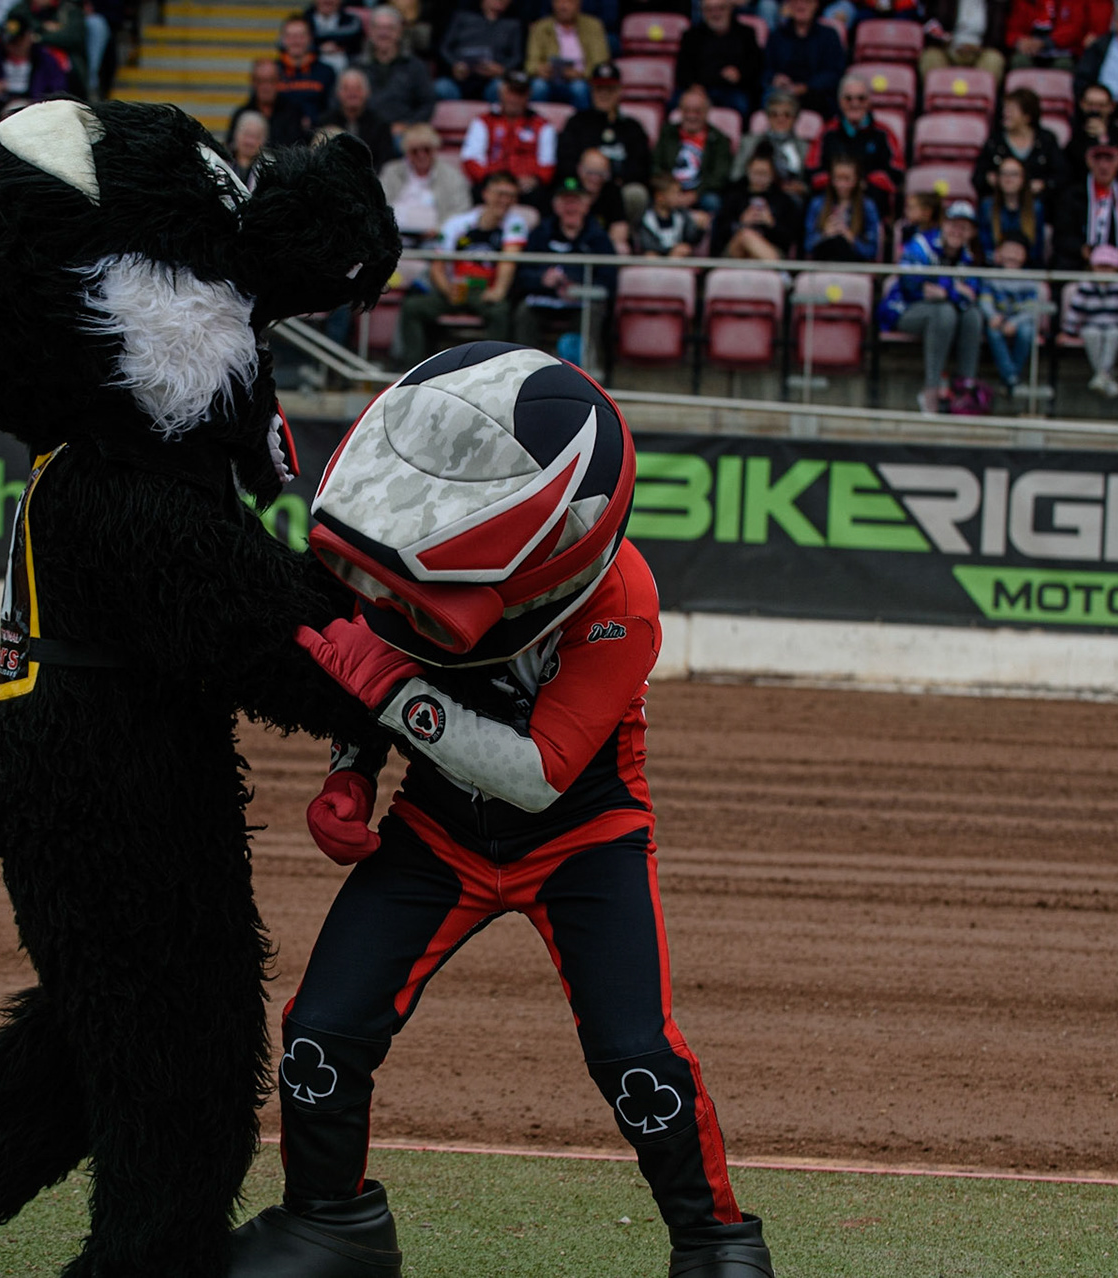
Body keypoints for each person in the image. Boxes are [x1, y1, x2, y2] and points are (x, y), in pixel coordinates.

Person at [261, 347, 775, 1278]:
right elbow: (377, 638)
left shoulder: (624, 602)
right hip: (437, 826)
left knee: (638, 1066)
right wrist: (352, 770)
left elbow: (538, 772)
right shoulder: (413, 536)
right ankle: (326, 1225)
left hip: (585, 835)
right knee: (318, 1038)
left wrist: (391, 702)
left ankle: (716, 1244)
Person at [398, 170, 526, 363]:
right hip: (456, 288)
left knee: (500, 311)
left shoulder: (515, 223)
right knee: (412, 307)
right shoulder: (458, 224)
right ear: (486, 194)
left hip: (485, 291)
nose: (505, 201)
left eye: (511, 196)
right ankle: (411, 369)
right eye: (500, 194)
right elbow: (438, 266)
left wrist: (498, 290)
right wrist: (447, 290)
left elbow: (509, 259)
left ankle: (492, 371)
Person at [880, 198, 982, 414]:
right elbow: (910, 282)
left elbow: (971, 295)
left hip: (943, 313)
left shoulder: (969, 257)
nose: (957, 231)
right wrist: (954, 291)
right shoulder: (921, 244)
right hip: (904, 309)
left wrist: (944, 291)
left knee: (972, 315)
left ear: (971, 233)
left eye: (963, 227)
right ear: (943, 224)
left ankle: (964, 389)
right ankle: (931, 390)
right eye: (953, 224)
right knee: (944, 312)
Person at [513, 175, 618, 362]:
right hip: (544, 298)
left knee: (592, 314)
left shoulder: (599, 238)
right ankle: (525, 366)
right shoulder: (540, 234)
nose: (571, 207)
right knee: (524, 312)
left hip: (581, 302)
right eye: (565, 201)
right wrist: (542, 279)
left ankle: (584, 370)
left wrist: (576, 284)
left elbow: (608, 281)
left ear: (586, 206)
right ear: (556, 206)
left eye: (576, 201)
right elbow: (522, 274)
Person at [557, 63, 655, 225]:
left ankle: (626, 237)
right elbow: (565, 162)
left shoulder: (632, 127)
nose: (604, 94)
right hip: (582, 187)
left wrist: (610, 176)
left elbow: (642, 167)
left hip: (618, 190)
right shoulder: (577, 122)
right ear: (592, 91)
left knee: (636, 193)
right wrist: (588, 179)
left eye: (609, 89)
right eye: (599, 89)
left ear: (619, 91)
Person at [808, 74, 903, 216]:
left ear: (869, 101)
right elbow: (812, 172)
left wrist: (861, 183)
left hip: (871, 200)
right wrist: (841, 182)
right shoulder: (826, 133)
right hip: (831, 200)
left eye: (861, 98)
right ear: (840, 102)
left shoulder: (884, 133)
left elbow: (897, 174)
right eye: (848, 98)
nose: (855, 103)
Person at [460, 72, 559, 204]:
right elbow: (470, 159)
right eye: (511, 92)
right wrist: (493, 181)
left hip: (527, 189)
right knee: (474, 193)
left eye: (520, 94)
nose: (515, 99)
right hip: (492, 184)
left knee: (544, 196)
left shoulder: (542, 125)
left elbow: (548, 164)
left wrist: (535, 180)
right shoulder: (483, 121)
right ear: (501, 92)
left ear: (528, 95)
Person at [1053, 141, 1118, 268]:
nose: (1103, 166)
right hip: (1082, 264)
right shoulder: (1073, 195)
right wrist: (1081, 249)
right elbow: (1061, 236)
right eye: (1097, 159)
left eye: (1109, 159)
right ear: (1088, 161)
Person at [1063, 241, 1118, 397]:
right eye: (1100, 267)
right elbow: (1076, 312)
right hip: (1091, 325)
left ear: (1117, 269)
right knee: (1091, 333)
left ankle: (1101, 376)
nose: (1104, 271)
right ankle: (1106, 376)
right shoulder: (1085, 287)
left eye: (1108, 267)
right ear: (1092, 267)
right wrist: (1069, 331)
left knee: (1114, 334)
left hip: (1113, 327)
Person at [380, 122, 473, 241]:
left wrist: (439, 228)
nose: (421, 155)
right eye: (415, 151)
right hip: (394, 237)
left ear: (435, 150)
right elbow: (380, 204)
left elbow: (461, 210)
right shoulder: (391, 172)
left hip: (436, 238)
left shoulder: (452, 176)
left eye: (426, 150)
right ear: (406, 152)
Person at [653, 85, 733, 223]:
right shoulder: (667, 133)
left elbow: (720, 175)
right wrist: (670, 191)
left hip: (701, 193)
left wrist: (695, 194)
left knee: (713, 201)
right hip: (667, 190)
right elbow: (655, 166)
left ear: (707, 112)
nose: (691, 116)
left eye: (697, 111)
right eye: (687, 110)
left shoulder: (719, 139)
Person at [972, 87, 1068, 201]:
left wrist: (1044, 184)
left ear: (1027, 116)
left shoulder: (1046, 140)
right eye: (1005, 109)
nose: (1006, 114)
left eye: (1012, 110)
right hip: (1002, 205)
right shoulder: (995, 141)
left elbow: (1062, 176)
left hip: (1040, 204)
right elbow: (978, 177)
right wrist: (991, 179)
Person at [355, 5, 435, 132]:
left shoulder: (416, 66)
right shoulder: (356, 66)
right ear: (370, 31)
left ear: (400, 31)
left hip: (405, 132)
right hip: (364, 132)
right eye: (378, 28)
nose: (383, 33)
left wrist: (408, 125)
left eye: (389, 28)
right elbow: (339, 103)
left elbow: (427, 105)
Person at [676, 0, 764, 117]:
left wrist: (740, 74)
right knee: (677, 103)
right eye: (710, 10)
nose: (715, 13)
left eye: (720, 8)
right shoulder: (691, 36)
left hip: (734, 89)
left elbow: (756, 65)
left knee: (743, 103)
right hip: (700, 89)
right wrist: (693, 86)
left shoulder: (746, 33)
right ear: (703, 12)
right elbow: (682, 70)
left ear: (730, 9)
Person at [710, 146, 799, 259]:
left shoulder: (783, 200)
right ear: (748, 171)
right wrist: (741, 222)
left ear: (773, 175)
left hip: (769, 251)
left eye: (764, 174)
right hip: (735, 251)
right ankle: (782, 273)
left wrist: (771, 223)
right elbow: (719, 234)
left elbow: (789, 239)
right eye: (756, 173)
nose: (760, 178)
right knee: (745, 235)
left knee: (749, 239)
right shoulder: (734, 197)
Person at [978, 234, 1040, 393]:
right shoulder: (991, 277)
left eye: (1017, 251)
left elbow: (1032, 309)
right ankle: (1011, 376)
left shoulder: (1030, 280)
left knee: (1027, 332)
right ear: (998, 253)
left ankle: (1010, 375)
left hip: (1020, 320)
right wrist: (992, 316)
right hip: (997, 319)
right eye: (1008, 250)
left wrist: (1015, 322)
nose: (1012, 255)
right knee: (993, 332)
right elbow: (985, 301)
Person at [763, 0, 847, 116]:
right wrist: (775, 78)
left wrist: (806, 87)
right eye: (795, 1)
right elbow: (765, 69)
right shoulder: (777, 36)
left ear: (816, 5)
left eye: (807, 1)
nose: (800, 5)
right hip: (782, 94)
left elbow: (834, 72)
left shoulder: (829, 35)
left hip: (817, 95)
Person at [525, 0, 611, 109]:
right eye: (559, 2)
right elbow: (530, 63)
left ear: (578, 5)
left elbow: (600, 63)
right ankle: (536, 124)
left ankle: (582, 124)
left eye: (569, 2)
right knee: (538, 86)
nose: (563, 6)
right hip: (549, 80)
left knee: (579, 88)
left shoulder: (593, 26)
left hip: (581, 79)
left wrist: (581, 74)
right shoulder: (540, 27)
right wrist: (540, 69)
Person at [1065, 81, 1118, 191]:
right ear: (1082, 104)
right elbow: (1070, 171)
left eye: (1101, 105)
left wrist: (1105, 138)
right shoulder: (1075, 137)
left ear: (1111, 106)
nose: (1095, 110)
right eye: (1090, 104)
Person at [437, 0, 525, 101]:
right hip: (460, 77)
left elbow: (517, 57)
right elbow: (444, 48)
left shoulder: (513, 25)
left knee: (501, 88)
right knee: (441, 88)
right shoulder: (462, 18)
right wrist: (454, 65)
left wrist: (502, 70)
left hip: (492, 80)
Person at [732, 88, 810, 200]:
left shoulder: (805, 147)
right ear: (767, 117)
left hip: (790, 199)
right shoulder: (749, 142)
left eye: (787, 115)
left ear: (795, 118)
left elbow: (809, 183)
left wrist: (801, 188)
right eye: (774, 114)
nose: (780, 119)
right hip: (755, 194)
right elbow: (735, 176)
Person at [802, 154, 881, 260]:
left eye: (847, 179)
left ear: (856, 179)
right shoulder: (817, 204)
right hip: (823, 264)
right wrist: (825, 235)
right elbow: (807, 246)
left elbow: (871, 251)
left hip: (854, 266)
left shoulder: (867, 207)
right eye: (838, 179)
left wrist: (850, 237)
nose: (841, 184)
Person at [319, 69, 401, 167]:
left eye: (357, 89)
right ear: (338, 93)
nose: (352, 93)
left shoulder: (380, 124)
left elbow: (384, 162)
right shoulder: (324, 122)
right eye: (346, 89)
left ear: (368, 92)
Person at [0, 14, 72, 106]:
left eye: (18, 40)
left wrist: (39, 101)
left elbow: (59, 90)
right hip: (0, 108)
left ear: (28, 36)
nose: (14, 46)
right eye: (10, 42)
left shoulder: (46, 60)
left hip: (37, 108)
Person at [977, 155, 1046, 264]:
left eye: (1014, 174)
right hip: (994, 269)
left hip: (1027, 270)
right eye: (1004, 173)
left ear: (1023, 178)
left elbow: (1037, 249)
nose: (1008, 179)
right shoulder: (987, 207)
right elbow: (984, 245)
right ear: (997, 178)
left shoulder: (1036, 208)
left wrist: (1019, 257)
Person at [917, 0, 1009, 80]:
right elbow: (931, 25)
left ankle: (979, 97)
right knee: (930, 57)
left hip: (980, 50)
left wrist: (980, 49)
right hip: (948, 48)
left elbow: (997, 36)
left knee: (994, 60)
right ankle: (938, 97)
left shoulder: (994, 3)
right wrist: (946, 41)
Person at [1005, 0, 1110, 68]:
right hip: (1030, 50)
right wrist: (1019, 41)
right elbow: (1012, 29)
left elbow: (1075, 28)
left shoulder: (1073, 3)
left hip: (1062, 49)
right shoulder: (1023, 2)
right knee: (1019, 61)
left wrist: (1046, 42)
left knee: (1064, 65)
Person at [234, 58, 312, 146]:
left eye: (271, 81)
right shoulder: (241, 115)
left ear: (279, 81)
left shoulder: (293, 113)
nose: (266, 87)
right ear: (253, 82)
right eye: (261, 81)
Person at [570, 148, 636, 249]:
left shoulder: (612, 191)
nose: (595, 178)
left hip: (602, 246)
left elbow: (620, 228)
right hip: (570, 245)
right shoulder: (569, 189)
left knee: (622, 248)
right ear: (580, 169)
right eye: (590, 172)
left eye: (600, 174)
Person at [275, 18, 337, 125]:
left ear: (310, 38)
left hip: (318, 135)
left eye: (301, 36)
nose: (296, 41)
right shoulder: (272, 71)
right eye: (291, 36)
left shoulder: (326, 72)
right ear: (283, 40)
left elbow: (333, 109)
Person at [636, 172, 708, 255]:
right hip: (658, 258)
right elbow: (647, 244)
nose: (679, 197)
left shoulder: (682, 215)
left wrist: (700, 229)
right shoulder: (647, 218)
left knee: (684, 249)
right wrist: (669, 252)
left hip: (678, 258)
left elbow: (691, 239)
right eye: (675, 193)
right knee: (650, 255)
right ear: (660, 197)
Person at [299, 0, 366, 75]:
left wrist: (316, 40)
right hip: (309, 77)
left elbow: (357, 45)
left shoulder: (352, 21)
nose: (327, 1)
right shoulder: (302, 21)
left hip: (347, 76)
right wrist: (319, 49)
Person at [227, 110, 269, 188]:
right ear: (236, 134)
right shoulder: (221, 161)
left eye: (256, 137)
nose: (250, 142)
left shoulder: (269, 167)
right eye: (246, 134)